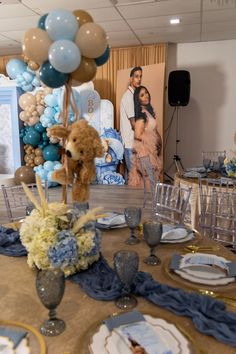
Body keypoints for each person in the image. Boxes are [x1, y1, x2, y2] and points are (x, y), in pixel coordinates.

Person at [128, 85, 162, 187]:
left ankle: (150, 202)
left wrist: (158, 141)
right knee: (150, 180)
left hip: (152, 150)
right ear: (138, 100)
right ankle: (150, 202)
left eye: (146, 93)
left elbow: (153, 130)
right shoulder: (142, 115)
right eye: (142, 95)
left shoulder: (148, 112)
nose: (146, 96)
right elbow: (137, 135)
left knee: (152, 180)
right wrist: (151, 140)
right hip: (144, 152)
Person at [120, 67, 143, 182]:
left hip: (133, 142)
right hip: (129, 143)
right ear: (131, 79)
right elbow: (133, 123)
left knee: (131, 176)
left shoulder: (134, 96)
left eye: (140, 76)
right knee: (134, 177)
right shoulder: (128, 97)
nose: (139, 79)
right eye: (136, 76)